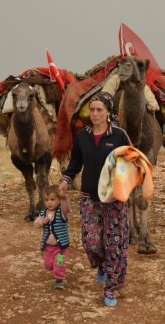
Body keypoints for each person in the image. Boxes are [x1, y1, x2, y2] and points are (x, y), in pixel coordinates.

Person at [58, 92, 131, 307]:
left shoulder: (119, 136)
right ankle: (101, 265)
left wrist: (124, 188)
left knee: (114, 244)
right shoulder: (82, 136)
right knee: (91, 242)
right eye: (92, 109)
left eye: (100, 109)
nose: (95, 113)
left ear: (109, 112)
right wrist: (65, 180)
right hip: (89, 198)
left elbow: (131, 164)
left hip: (114, 200)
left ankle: (111, 288)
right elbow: (75, 164)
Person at [34, 185, 70, 290]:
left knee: (59, 263)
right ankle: (55, 270)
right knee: (48, 265)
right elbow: (36, 224)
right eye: (47, 200)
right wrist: (41, 221)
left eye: (53, 199)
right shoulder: (43, 213)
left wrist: (64, 198)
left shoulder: (62, 212)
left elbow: (67, 208)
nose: (49, 202)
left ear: (59, 200)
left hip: (61, 247)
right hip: (48, 247)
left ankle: (59, 281)